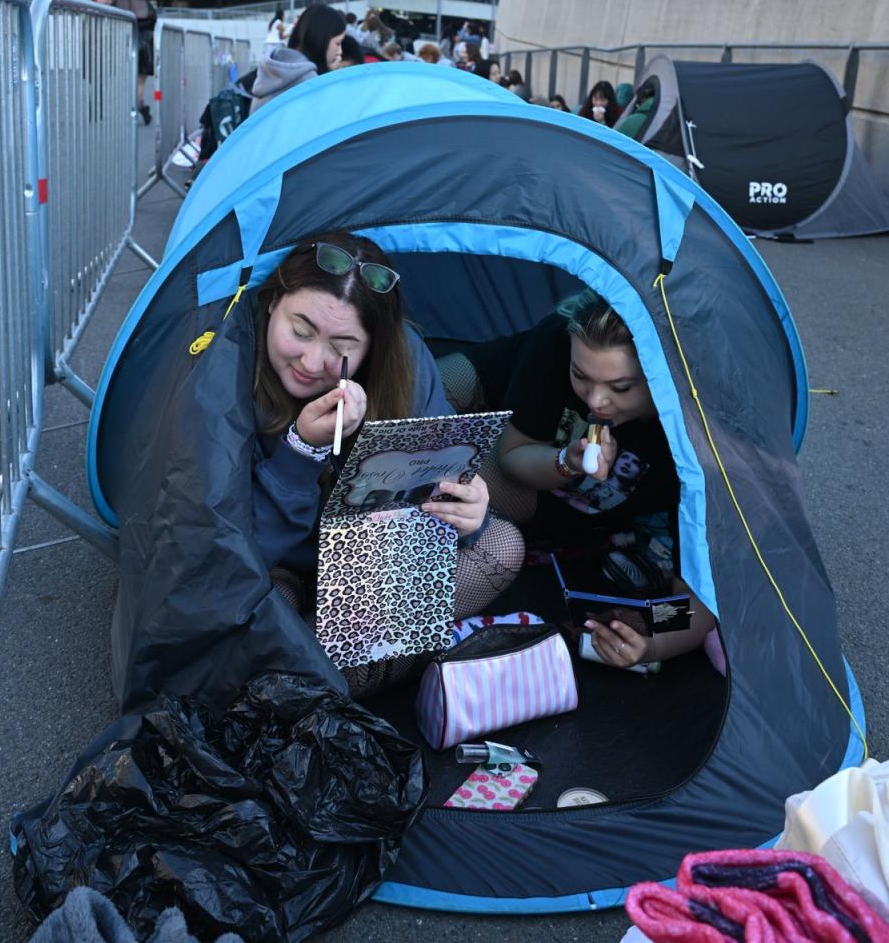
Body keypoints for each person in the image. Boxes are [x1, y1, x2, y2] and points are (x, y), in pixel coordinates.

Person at [253, 232, 525, 690]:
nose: (312, 360)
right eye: (300, 331)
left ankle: (340, 661)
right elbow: (238, 551)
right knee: (261, 613)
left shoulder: (406, 364)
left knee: (503, 544)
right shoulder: (231, 372)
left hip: (370, 567)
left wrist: (465, 511)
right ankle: (361, 661)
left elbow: (432, 515)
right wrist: (301, 449)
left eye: (341, 347)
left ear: (373, 345)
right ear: (271, 302)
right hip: (278, 561)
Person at [486, 289, 713, 670]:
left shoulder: (690, 445)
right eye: (580, 376)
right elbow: (512, 456)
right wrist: (565, 462)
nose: (595, 401)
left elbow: (697, 605)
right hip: (508, 410)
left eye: (621, 388)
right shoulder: (556, 339)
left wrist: (650, 643)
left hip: (569, 513)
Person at [250, 3, 345, 113]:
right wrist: (328, 76)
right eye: (338, 43)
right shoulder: (309, 82)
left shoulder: (274, 66)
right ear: (320, 40)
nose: (340, 51)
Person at [113, 0, 155, 124]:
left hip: (125, 43)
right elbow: (153, 20)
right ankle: (139, 106)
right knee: (140, 82)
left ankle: (136, 107)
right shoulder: (145, 4)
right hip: (144, 46)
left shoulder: (117, 4)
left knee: (125, 80)